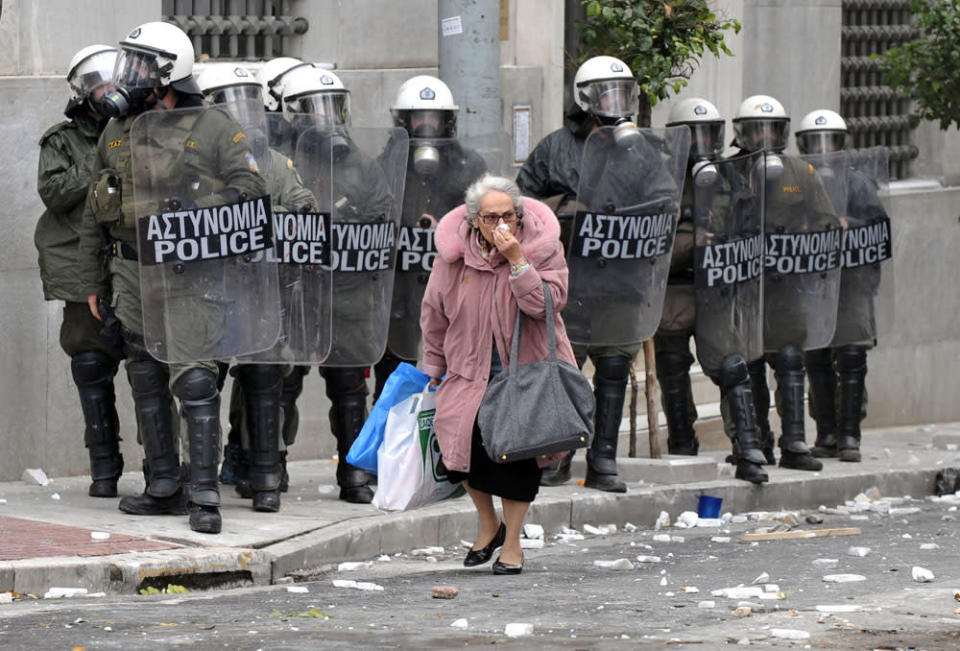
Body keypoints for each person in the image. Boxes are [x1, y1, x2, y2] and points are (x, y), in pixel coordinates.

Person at [76, 22, 269, 533]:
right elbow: (96, 210)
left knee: (196, 377)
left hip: (190, 268)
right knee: (143, 372)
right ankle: (163, 483)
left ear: (169, 71)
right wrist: (92, 281)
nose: (131, 74)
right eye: (130, 62)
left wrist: (197, 210)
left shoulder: (211, 124)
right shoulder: (117, 130)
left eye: (141, 64)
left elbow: (251, 188)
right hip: (131, 269)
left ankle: (204, 494)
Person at [518, 55, 675, 492]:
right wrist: (568, 211)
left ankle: (603, 460)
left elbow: (665, 201)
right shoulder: (556, 148)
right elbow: (522, 206)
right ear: (583, 98)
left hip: (622, 279)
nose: (613, 102)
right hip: (571, 277)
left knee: (613, 368)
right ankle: (557, 454)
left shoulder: (641, 149)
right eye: (604, 92)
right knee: (565, 369)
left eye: (621, 92)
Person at [421, 174, 574, 574]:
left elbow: (548, 304)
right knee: (459, 454)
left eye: (509, 215)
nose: (502, 224)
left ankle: (512, 543)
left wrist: (517, 261)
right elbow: (434, 313)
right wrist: (434, 365)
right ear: (474, 221)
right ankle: (488, 522)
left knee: (516, 460)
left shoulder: (542, 249)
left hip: (525, 371)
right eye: (491, 218)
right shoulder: (453, 258)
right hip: (467, 371)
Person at [196, 62, 320, 511]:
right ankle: (201, 478)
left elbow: (305, 211)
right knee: (199, 380)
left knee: (265, 375)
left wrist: (264, 222)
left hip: (258, 288)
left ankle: (265, 473)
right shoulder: (193, 160)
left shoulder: (271, 162)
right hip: (205, 289)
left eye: (247, 101)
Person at [281, 66, 400, 503]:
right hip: (295, 291)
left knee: (349, 385)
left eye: (333, 106)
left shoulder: (361, 163)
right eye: (314, 108)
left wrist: (350, 218)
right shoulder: (282, 156)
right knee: (283, 382)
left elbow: (383, 212)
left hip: (347, 290)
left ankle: (354, 474)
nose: (325, 116)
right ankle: (271, 471)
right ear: (293, 113)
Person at [656, 97, 769, 483]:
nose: (704, 143)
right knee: (672, 368)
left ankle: (748, 447)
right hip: (674, 288)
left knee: (732, 365)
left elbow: (750, 224)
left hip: (717, 288)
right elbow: (648, 239)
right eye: (695, 135)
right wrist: (691, 241)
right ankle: (682, 442)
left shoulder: (730, 176)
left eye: (710, 133)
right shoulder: (661, 178)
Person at [729, 95, 843, 472]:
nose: (763, 136)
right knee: (751, 362)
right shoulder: (730, 173)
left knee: (791, 360)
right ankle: (758, 441)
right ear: (742, 132)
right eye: (756, 128)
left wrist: (808, 241)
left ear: (781, 132)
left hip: (788, 288)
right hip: (744, 289)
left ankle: (795, 441)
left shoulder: (801, 172)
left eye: (771, 128)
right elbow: (713, 224)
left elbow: (827, 222)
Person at [35, 44, 126, 497]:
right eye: (100, 84)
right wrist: (99, 162)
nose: (109, 90)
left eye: (114, 81)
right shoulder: (62, 140)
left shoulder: (139, 128)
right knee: (90, 364)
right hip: (81, 264)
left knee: (153, 368)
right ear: (85, 92)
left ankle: (167, 469)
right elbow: (51, 191)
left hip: (134, 261)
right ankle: (104, 467)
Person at [373, 75, 487, 400]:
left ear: (446, 120)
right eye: (418, 117)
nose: (426, 124)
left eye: (433, 117)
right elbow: (371, 217)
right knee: (393, 380)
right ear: (404, 121)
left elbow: (489, 218)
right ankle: (390, 448)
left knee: (454, 378)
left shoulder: (470, 166)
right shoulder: (386, 166)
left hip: (452, 291)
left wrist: (450, 230)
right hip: (400, 293)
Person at [796, 109, 888, 463]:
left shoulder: (859, 183)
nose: (822, 149)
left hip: (852, 285)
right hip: (812, 285)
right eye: (814, 142)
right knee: (816, 357)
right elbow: (781, 220)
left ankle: (850, 434)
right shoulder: (795, 183)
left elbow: (878, 226)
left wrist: (852, 223)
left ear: (841, 143)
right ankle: (826, 432)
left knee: (851, 357)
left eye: (828, 141)